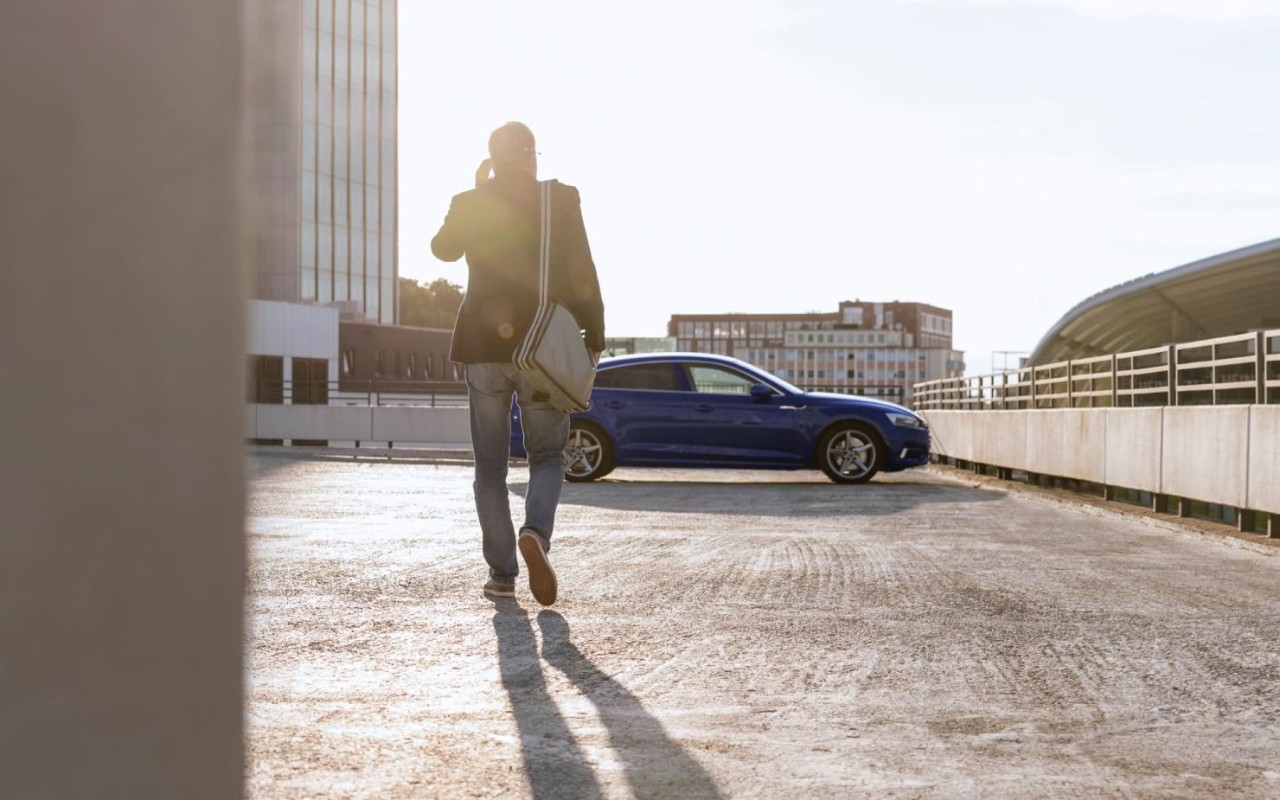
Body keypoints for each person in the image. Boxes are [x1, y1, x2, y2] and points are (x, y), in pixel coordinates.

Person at [431, 122, 605, 605]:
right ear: (530, 155)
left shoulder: (472, 202)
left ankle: (502, 575)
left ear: (493, 157)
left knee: (489, 468)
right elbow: (582, 269)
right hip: (542, 348)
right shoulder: (560, 199)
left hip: (481, 348)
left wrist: (474, 189)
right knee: (547, 456)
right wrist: (594, 335)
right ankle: (536, 534)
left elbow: (442, 249)